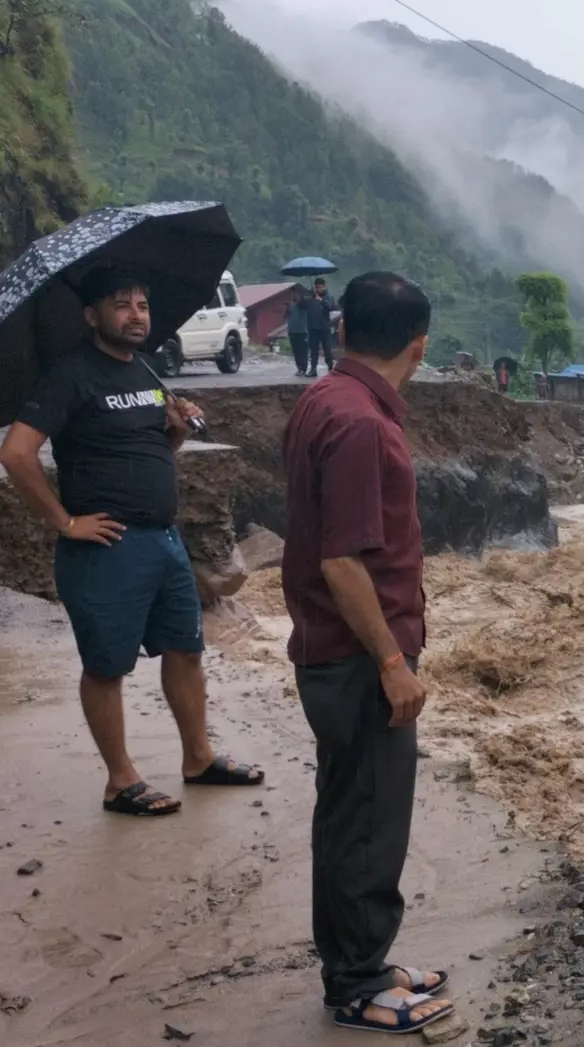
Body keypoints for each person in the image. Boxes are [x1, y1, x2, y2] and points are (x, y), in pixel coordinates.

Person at [0, 266, 264, 817]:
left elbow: (152, 455)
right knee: (106, 664)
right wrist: (65, 522)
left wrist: (172, 429)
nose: (136, 314)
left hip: (164, 540)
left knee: (187, 650)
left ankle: (198, 760)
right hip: (105, 548)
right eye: (121, 305)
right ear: (92, 316)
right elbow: (16, 453)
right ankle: (121, 781)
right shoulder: (69, 375)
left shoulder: (145, 371)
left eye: (142, 304)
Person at [281, 271, 455, 1034]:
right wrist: (392, 662)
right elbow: (343, 562)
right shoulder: (361, 425)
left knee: (348, 807)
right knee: (368, 817)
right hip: (357, 656)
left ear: (341, 327)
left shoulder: (326, 398)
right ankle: (357, 982)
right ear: (419, 346)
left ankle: (364, 958)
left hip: (335, 648)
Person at [304, 278, 338, 376]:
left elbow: (331, 307)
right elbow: (303, 305)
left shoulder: (328, 297)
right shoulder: (311, 297)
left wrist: (321, 300)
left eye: (319, 287)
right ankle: (313, 369)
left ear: (324, 287)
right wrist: (309, 295)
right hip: (312, 327)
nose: (317, 289)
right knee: (313, 350)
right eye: (316, 287)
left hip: (324, 327)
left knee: (327, 350)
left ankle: (330, 368)